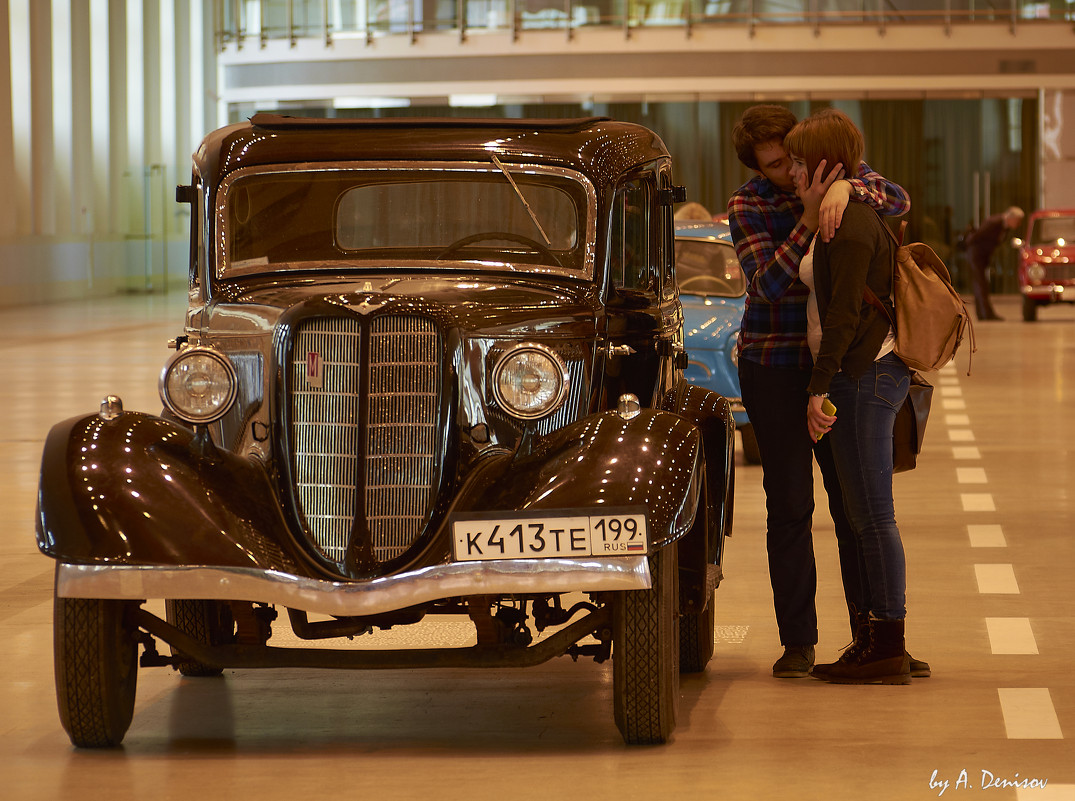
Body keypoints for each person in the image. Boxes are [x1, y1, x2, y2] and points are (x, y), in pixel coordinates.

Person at [727, 104, 928, 680]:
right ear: (758, 167)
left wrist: (844, 186)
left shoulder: (837, 179)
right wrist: (809, 218)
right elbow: (766, 285)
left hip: (834, 367)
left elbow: (898, 198)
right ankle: (798, 642)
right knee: (789, 506)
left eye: (791, 158)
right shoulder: (750, 203)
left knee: (853, 504)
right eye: (773, 165)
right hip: (773, 364)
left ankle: (874, 635)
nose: (787, 173)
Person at [790, 108, 913, 684]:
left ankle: (887, 644)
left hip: (862, 376)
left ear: (824, 165)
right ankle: (875, 639)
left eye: (797, 161)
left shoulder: (851, 221)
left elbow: (842, 316)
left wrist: (819, 388)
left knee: (872, 518)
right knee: (865, 517)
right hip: (860, 374)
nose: (790, 172)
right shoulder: (834, 216)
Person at [965, 206, 1024, 320]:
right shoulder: (994, 222)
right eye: (1018, 221)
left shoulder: (1005, 227)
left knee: (982, 284)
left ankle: (984, 313)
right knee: (980, 284)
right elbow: (977, 236)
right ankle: (985, 314)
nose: (1018, 224)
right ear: (1011, 218)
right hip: (976, 255)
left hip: (982, 257)